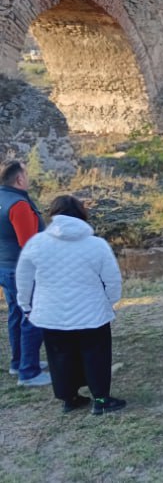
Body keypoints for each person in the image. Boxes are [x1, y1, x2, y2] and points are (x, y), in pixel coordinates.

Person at [16, 196, 126, 414]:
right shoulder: (96, 245)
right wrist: (109, 301)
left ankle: (69, 398)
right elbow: (113, 279)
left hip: (51, 313)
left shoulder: (37, 243)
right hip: (92, 312)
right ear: (81, 214)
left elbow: (24, 278)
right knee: (96, 354)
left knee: (60, 357)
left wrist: (26, 305)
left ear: (53, 215)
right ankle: (101, 401)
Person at [0, 160, 49, 386]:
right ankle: (29, 372)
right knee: (33, 314)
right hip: (22, 270)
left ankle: (17, 362)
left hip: (5, 267)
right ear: (19, 179)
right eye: (26, 175)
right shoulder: (18, 204)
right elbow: (29, 244)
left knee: (16, 314)